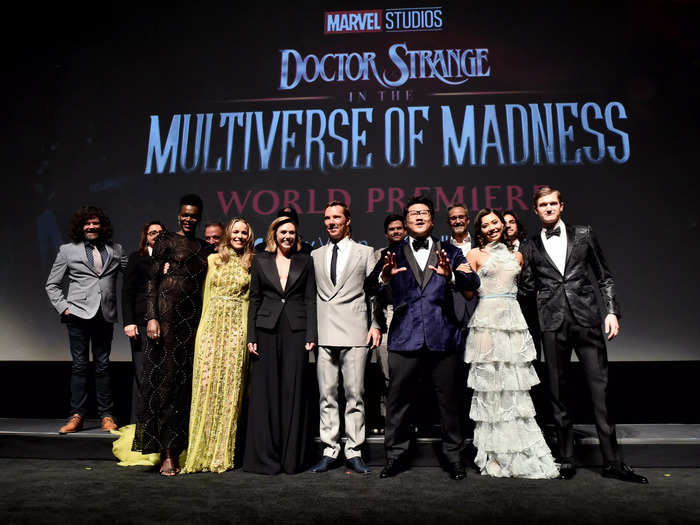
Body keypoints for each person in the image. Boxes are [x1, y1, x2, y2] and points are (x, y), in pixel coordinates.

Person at [519, 186, 647, 483]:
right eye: (543, 205)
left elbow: (605, 276)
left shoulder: (583, 234)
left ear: (562, 206)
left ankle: (613, 462)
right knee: (557, 392)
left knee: (600, 390)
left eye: (553, 203)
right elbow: (526, 286)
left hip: (587, 318)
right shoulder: (529, 245)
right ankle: (566, 459)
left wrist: (612, 311)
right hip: (551, 323)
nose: (548, 208)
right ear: (536, 210)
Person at [365, 196, 480, 480]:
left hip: (443, 336)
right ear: (405, 221)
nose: (418, 216)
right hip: (404, 336)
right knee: (398, 401)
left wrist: (451, 275)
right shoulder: (391, 254)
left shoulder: (450, 252)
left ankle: (453, 457)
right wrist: (384, 279)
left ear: (432, 219)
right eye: (413, 213)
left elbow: (473, 283)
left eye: (424, 212)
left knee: (449, 401)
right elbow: (368, 286)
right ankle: (394, 456)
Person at [463, 208, 558, 479]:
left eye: (495, 222)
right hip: (486, 322)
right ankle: (494, 455)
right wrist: (459, 275)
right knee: (490, 388)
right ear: (479, 230)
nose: (492, 227)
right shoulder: (474, 255)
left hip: (513, 321)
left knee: (514, 388)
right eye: (485, 224)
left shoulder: (517, 255)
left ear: (503, 225)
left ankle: (518, 450)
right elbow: (469, 294)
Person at [132, 193, 212, 476]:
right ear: (179, 215)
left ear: (199, 217)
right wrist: (151, 317)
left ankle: (180, 447)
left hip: (191, 324)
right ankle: (167, 453)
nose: (189, 219)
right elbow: (152, 281)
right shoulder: (165, 240)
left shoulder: (203, 248)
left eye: (193, 215)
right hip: (165, 321)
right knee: (165, 384)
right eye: (185, 214)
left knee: (183, 388)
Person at [309, 201, 381, 475]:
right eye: (327, 218)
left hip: (355, 329)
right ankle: (329, 449)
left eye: (337, 217)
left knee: (355, 394)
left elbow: (374, 291)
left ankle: (353, 450)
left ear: (348, 220)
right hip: (325, 330)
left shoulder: (365, 252)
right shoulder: (315, 255)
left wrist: (375, 323)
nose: (331, 222)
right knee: (327, 394)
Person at [243, 216, 317, 474]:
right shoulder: (261, 260)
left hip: (296, 331)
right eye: (283, 232)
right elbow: (254, 299)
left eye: (292, 233)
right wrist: (251, 336)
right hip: (265, 331)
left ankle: (291, 459)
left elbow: (310, 298)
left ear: (297, 236)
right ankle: (266, 458)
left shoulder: (305, 261)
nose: (288, 236)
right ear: (274, 234)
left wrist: (312, 333)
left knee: (293, 390)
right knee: (266, 392)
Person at [182, 218, 255, 474]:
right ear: (228, 234)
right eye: (235, 231)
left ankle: (221, 455)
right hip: (211, 328)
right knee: (205, 387)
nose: (239, 236)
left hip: (237, 329)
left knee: (230, 392)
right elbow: (205, 297)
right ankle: (199, 452)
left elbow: (250, 301)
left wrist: (247, 336)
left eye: (243, 232)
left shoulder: (251, 263)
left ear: (249, 236)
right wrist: (202, 332)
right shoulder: (213, 260)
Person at [46, 205, 127, 433]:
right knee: (80, 366)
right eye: (87, 223)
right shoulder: (67, 250)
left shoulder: (116, 249)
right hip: (77, 315)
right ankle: (77, 415)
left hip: (104, 314)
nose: (91, 227)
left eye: (95, 223)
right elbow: (52, 284)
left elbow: (133, 275)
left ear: (102, 226)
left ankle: (107, 415)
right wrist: (65, 309)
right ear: (81, 227)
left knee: (103, 366)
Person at [122, 220, 165, 423]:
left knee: (161, 374)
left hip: (165, 323)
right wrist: (128, 322)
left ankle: (157, 425)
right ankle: (138, 426)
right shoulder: (137, 258)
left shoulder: (171, 259)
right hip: (139, 322)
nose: (156, 235)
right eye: (152, 232)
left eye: (160, 232)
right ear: (146, 236)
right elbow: (127, 292)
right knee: (142, 374)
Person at [371, 214, 406, 427]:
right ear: (386, 233)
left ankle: (410, 419)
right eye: (391, 229)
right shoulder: (381, 256)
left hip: (411, 314)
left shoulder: (414, 254)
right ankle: (387, 419)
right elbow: (371, 288)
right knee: (386, 371)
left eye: (399, 228)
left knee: (408, 372)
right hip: (388, 315)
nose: (395, 232)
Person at [503, 209, 542, 361]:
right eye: (504, 223)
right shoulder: (495, 250)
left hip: (528, 305)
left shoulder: (530, 246)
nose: (508, 226)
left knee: (531, 351)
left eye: (511, 222)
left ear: (518, 226)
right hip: (504, 308)